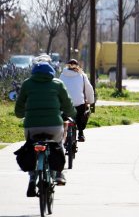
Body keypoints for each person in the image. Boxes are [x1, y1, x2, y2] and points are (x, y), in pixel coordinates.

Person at [15, 61, 76, 197]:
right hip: (53, 125)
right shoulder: (57, 84)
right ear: (51, 73)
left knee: (31, 147)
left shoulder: (27, 84)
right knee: (58, 143)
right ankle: (59, 173)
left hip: (32, 126)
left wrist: (23, 113)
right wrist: (71, 113)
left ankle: (32, 178)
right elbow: (67, 104)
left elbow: (19, 108)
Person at [60, 59, 95, 142]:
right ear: (78, 66)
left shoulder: (62, 75)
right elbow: (89, 89)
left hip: (65, 104)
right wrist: (90, 101)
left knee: (63, 116)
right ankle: (80, 133)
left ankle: (62, 135)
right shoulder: (82, 75)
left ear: (67, 66)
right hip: (79, 103)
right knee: (81, 115)